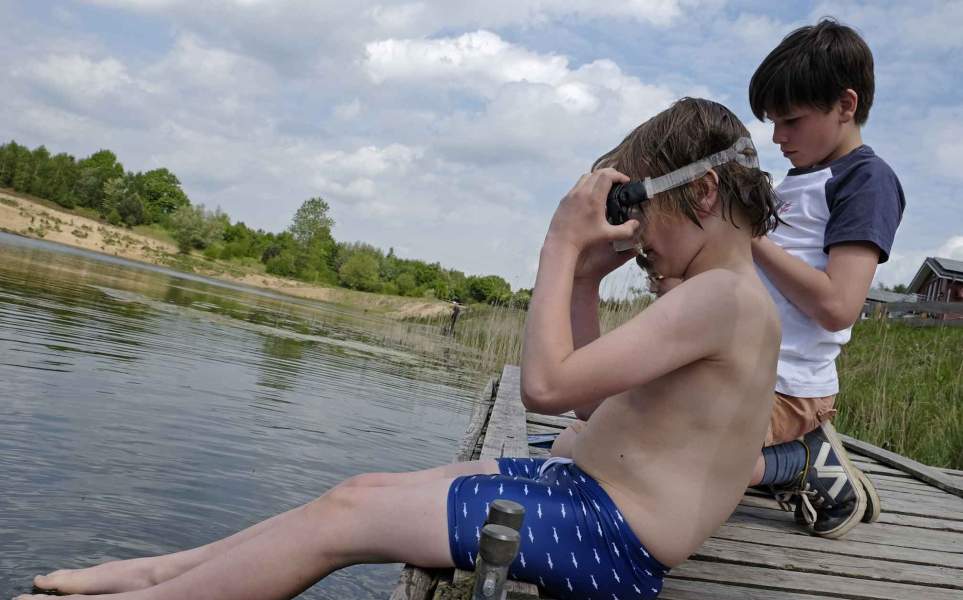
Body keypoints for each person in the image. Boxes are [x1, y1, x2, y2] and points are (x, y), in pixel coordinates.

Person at [15, 98, 780, 600]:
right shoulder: (716, 300)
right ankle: (162, 572)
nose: (636, 236)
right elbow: (586, 396)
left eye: (636, 209)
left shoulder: (718, 298)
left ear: (702, 193)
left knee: (348, 517)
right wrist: (583, 280)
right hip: (585, 497)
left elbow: (543, 388)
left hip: (608, 540)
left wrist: (557, 245)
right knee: (363, 487)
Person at [555, 18, 905, 541]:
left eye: (791, 121)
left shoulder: (865, 181)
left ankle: (799, 460)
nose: (777, 136)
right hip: (733, 366)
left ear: (846, 105)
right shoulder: (792, 182)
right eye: (771, 122)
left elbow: (839, 305)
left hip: (788, 386)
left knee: (635, 451)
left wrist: (748, 236)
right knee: (590, 432)